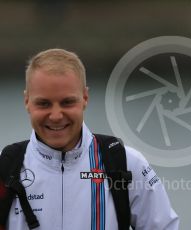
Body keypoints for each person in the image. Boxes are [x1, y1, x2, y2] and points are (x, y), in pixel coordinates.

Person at [0, 48, 179, 230]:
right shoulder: (5, 168)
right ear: (26, 101)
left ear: (85, 97)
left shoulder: (127, 163)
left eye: (67, 102)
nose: (55, 115)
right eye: (43, 103)